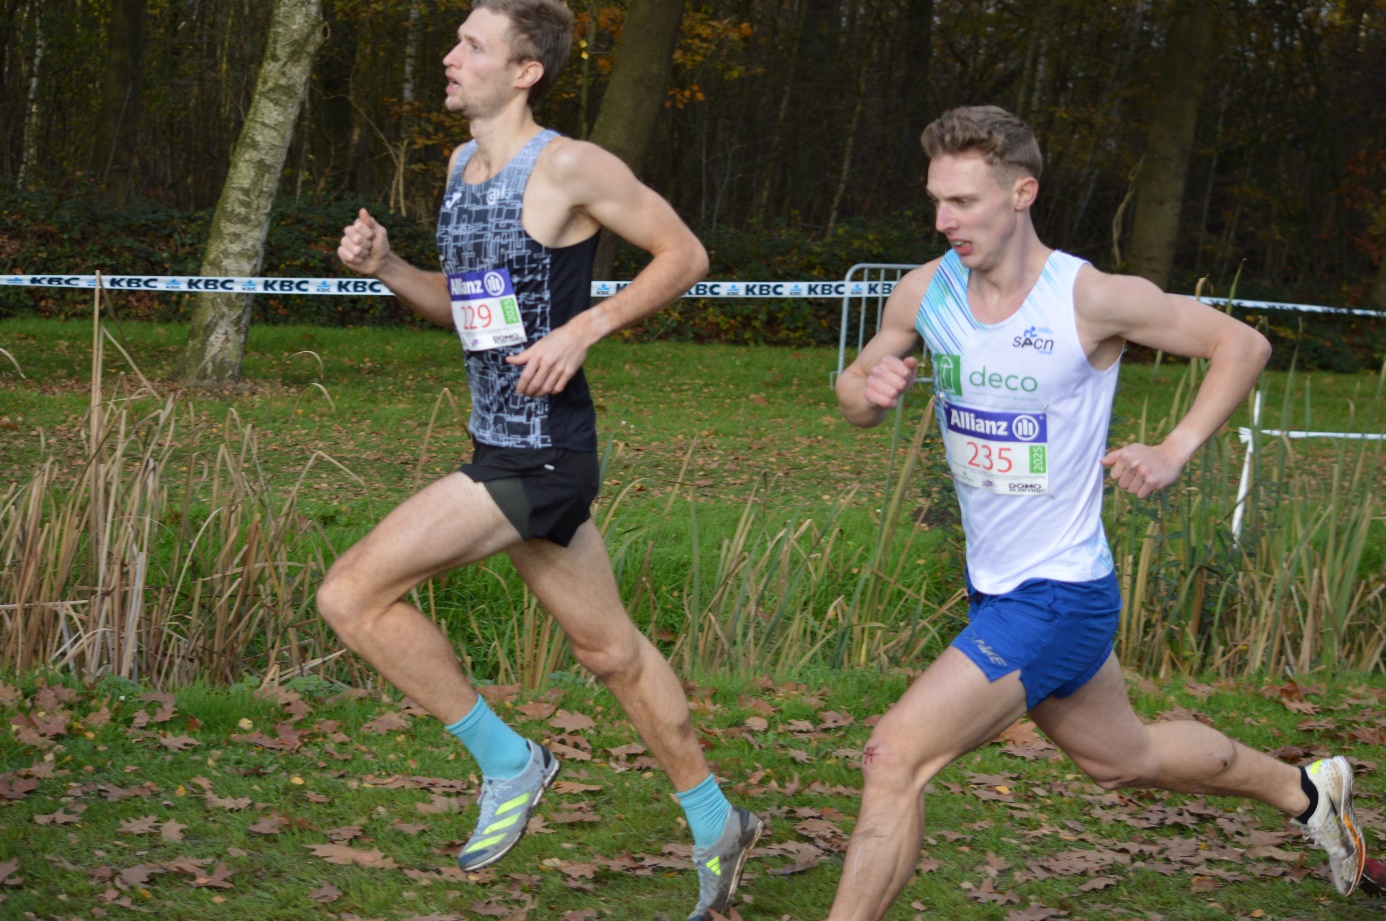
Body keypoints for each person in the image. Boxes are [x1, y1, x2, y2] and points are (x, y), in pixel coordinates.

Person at [828, 105, 1367, 920]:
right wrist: (867, 393)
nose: (944, 222)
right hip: (998, 587)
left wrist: (1176, 447)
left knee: (894, 755)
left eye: (964, 203)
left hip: (1059, 593)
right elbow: (855, 385)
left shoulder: (1089, 297)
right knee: (1126, 757)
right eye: (936, 201)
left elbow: (1242, 345)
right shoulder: (927, 290)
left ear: (1021, 193)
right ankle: (1307, 791)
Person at [316, 3, 761, 918]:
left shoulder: (567, 164)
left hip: (542, 452)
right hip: (500, 441)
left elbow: (686, 253)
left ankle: (509, 759)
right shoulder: (460, 167)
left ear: (525, 71)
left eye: (471, 46)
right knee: (611, 650)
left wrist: (589, 326)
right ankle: (718, 820)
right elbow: (472, 307)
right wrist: (392, 267)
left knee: (350, 594)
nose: (449, 57)